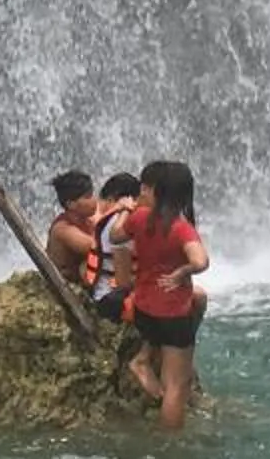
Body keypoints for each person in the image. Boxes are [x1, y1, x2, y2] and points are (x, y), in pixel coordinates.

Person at [120, 158, 209, 432]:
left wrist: (125, 210)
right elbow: (201, 261)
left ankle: (142, 359)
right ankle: (170, 442)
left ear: (157, 191)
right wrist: (182, 272)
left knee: (197, 299)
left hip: (144, 311)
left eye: (145, 188)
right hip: (171, 314)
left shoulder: (138, 219)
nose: (141, 193)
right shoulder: (182, 229)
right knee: (176, 386)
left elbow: (114, 236)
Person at [85, 171, 141, 322]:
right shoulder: (121, 224)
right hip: (112, 299)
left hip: (104, 294)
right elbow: (124, 283)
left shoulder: (112, 219)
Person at [44, 170, 101, 283]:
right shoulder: (63, 229)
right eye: (88, 197)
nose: (94, 200)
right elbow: (97, 249)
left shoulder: (87, 219)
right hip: (67, 284)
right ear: (71, 204)